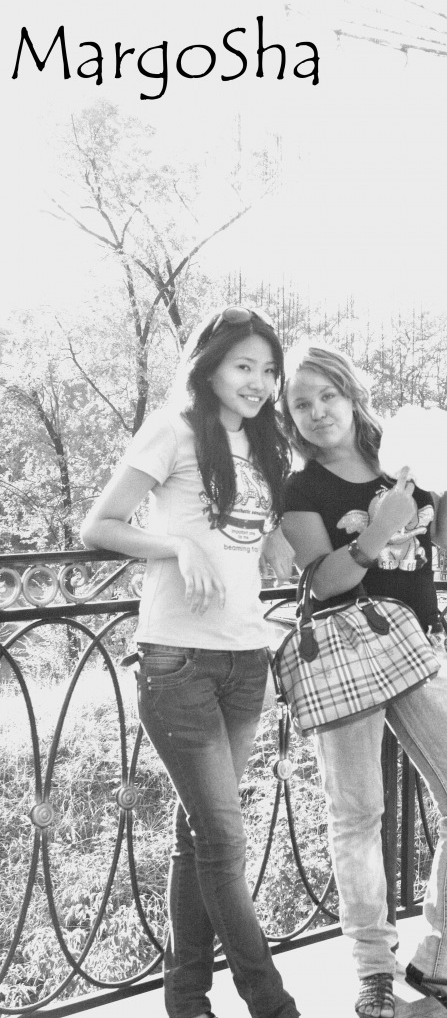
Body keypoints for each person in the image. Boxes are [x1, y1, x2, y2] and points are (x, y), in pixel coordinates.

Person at [80, 306, 299, 1018]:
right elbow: (99, 524)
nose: (259, 382)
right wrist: (178, 546)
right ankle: (271, 1003)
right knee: (225, 842)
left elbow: (252, 531)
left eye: (269, 370)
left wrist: (274, 536)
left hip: (247, 658)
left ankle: (186, 1000)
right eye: (244, 366)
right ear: (209, 367)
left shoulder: (264, 445)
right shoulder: (172, 430)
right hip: (178, 662)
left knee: (199, 837)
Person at [280, 345, 447, 1018]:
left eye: (328, 395)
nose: (318, 412)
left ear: (352, 394)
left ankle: (442, 962)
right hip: (347, 657)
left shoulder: (403, 458)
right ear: (290, 416)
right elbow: (324, 580)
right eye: (301, 403)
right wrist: (377, 531)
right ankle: (373, 970)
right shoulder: (301, 489)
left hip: (418, 648)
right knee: (357, 817)